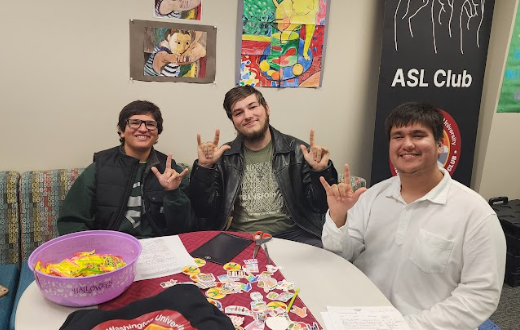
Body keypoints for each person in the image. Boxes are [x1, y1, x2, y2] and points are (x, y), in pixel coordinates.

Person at [320, 101, 506, 329]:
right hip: (361, 314)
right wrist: (339, 218)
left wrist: (405, 326)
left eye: (418, 135)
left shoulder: (475, 214)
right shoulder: (374, 196)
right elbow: (341, 254)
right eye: (398, 136)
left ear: (440, 145)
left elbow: (480, 297)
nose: (407, 144)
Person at [188, 85, 338, 246]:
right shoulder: (224, 157)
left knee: (319, 260)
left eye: (252, 107)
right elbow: (202, 210)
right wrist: (205, 168)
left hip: (293, 234)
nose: (247, 116)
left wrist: (319, 171)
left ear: (266, 109)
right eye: (238, 113)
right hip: (241, 236)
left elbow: (321, 206)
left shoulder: (297, 151)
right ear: (233, 121)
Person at [58, 100, 195, 238]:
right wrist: (94, 250)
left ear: (157, 133)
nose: (143, 129)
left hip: (159, 247)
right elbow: (72, 222)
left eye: (150, 124)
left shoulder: (171, 171)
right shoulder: (98, 169)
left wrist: (173, 193)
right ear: (122, 130)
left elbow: (186, 228)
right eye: (135, 123)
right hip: (111, 248)